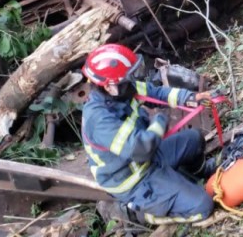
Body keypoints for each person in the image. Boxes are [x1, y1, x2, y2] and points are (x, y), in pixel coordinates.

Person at [81, 44, 217, 225]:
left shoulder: (123, 91)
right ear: (110, 87)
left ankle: (199, 173)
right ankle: (137, 213)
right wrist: (159, 122)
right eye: (128, 78)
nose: (133, 81)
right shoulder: (99, 119)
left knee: (194, 139)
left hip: (150, 158)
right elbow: (140, 149)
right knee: (203, 206)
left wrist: (190, 97)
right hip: (134, 180)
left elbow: (156, 93)